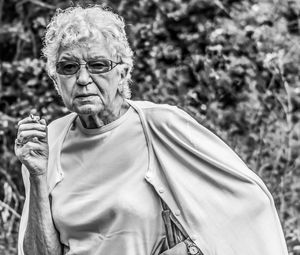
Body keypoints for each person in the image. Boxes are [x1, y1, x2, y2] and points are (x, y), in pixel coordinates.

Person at [15, 5, 288, 255]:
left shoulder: (160, 124)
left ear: (122, 72)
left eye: (98, 65)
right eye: (68, 67)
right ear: (55, 77)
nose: (83, 79)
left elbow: (250, 203)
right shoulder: (47, 142)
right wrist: (38, 175)